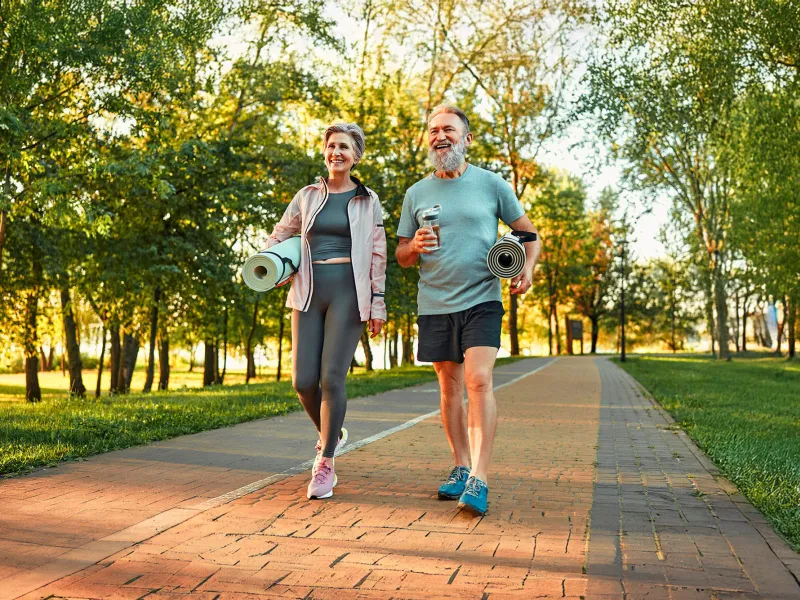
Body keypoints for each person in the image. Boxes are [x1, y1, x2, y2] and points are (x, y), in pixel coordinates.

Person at [396, 105, 542, 515]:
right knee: (449, 388)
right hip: (435, 302)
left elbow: (530, 235)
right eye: (432, 130)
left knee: (478, 380)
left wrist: (527, 268)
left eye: (448, 129)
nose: (439, 136)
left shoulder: (492, 184)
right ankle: (460, 465)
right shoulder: (416, 193)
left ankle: (479, 476)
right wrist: (413, 248)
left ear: (466, 138)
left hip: (482, 298)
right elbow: (402, 255)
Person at [265, 123, 387, 500]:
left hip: (349, 292)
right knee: (302, 381)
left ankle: (326, 462)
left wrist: (378, 302)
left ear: (356, 156)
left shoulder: (368, 200)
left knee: (332, 378)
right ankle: (331, 432)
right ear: (325, 152)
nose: (337, 152)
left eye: (345, 147)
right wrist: (273, 262)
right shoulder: (306, 196)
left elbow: (379, 254)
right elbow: (279, 234)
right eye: (332, 145)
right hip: (308, 291)